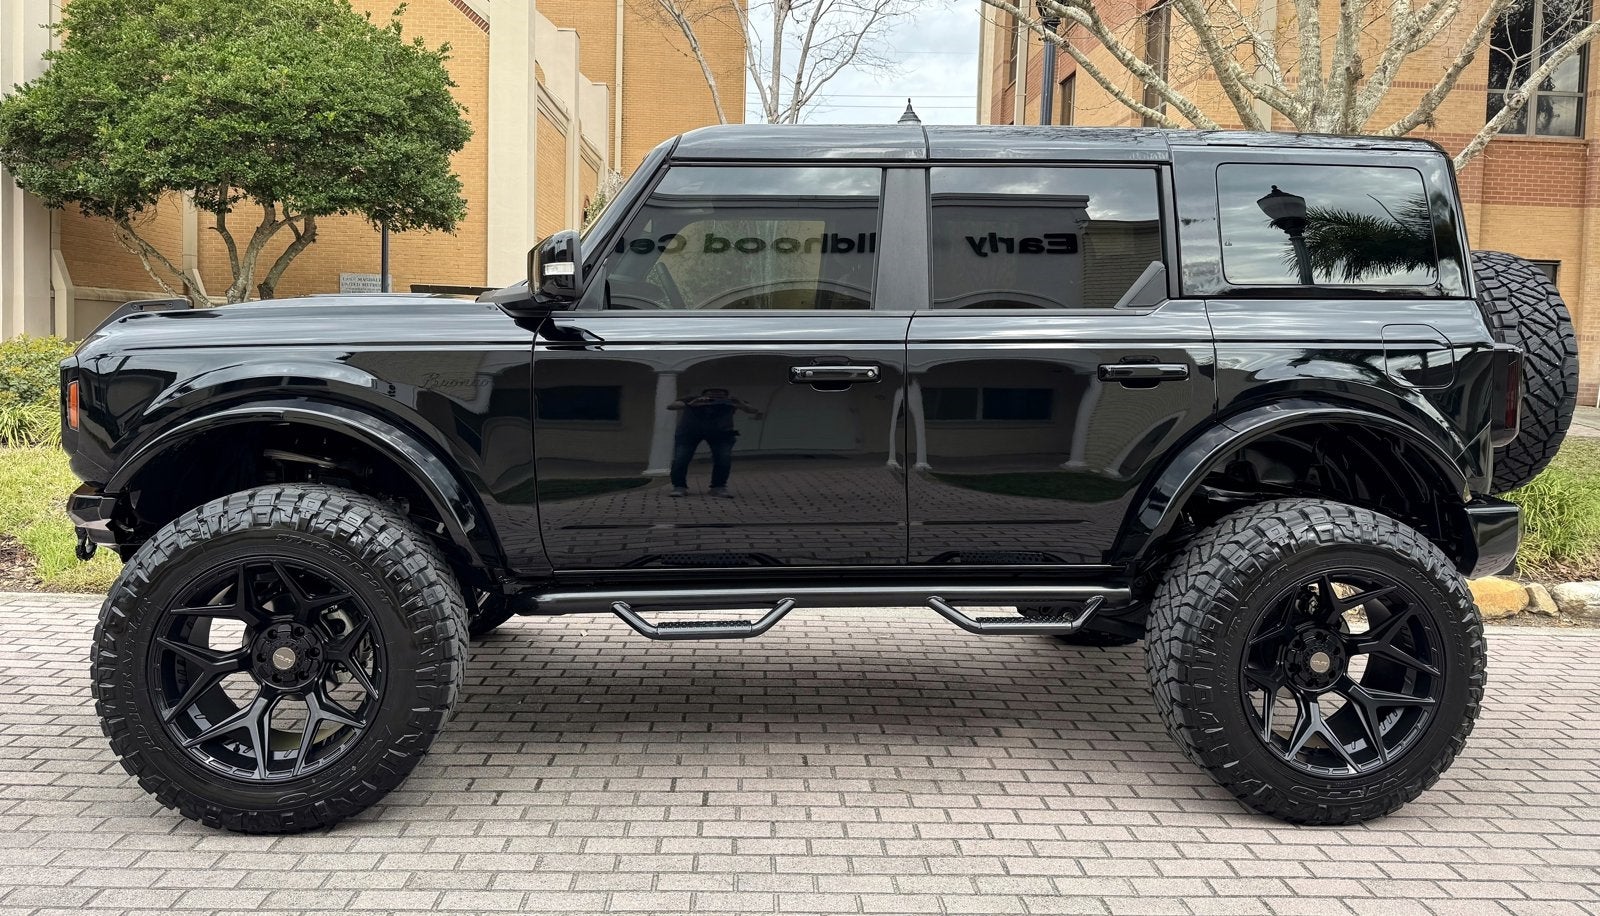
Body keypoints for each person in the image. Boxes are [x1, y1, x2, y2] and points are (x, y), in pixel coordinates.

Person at [667, 388, 763, 497]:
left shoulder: (730, 402)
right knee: (681, 458)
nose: (715, 398)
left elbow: (752, 410)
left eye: (719, 396)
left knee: (723, 459)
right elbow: (671, 406)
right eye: (711, 396)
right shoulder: (692, 399)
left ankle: (718, 487)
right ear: (703, 394)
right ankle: (679, 486)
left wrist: (740, 404)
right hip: (690, 432)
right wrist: (692, 404)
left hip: (721, 432)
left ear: (726, 396)